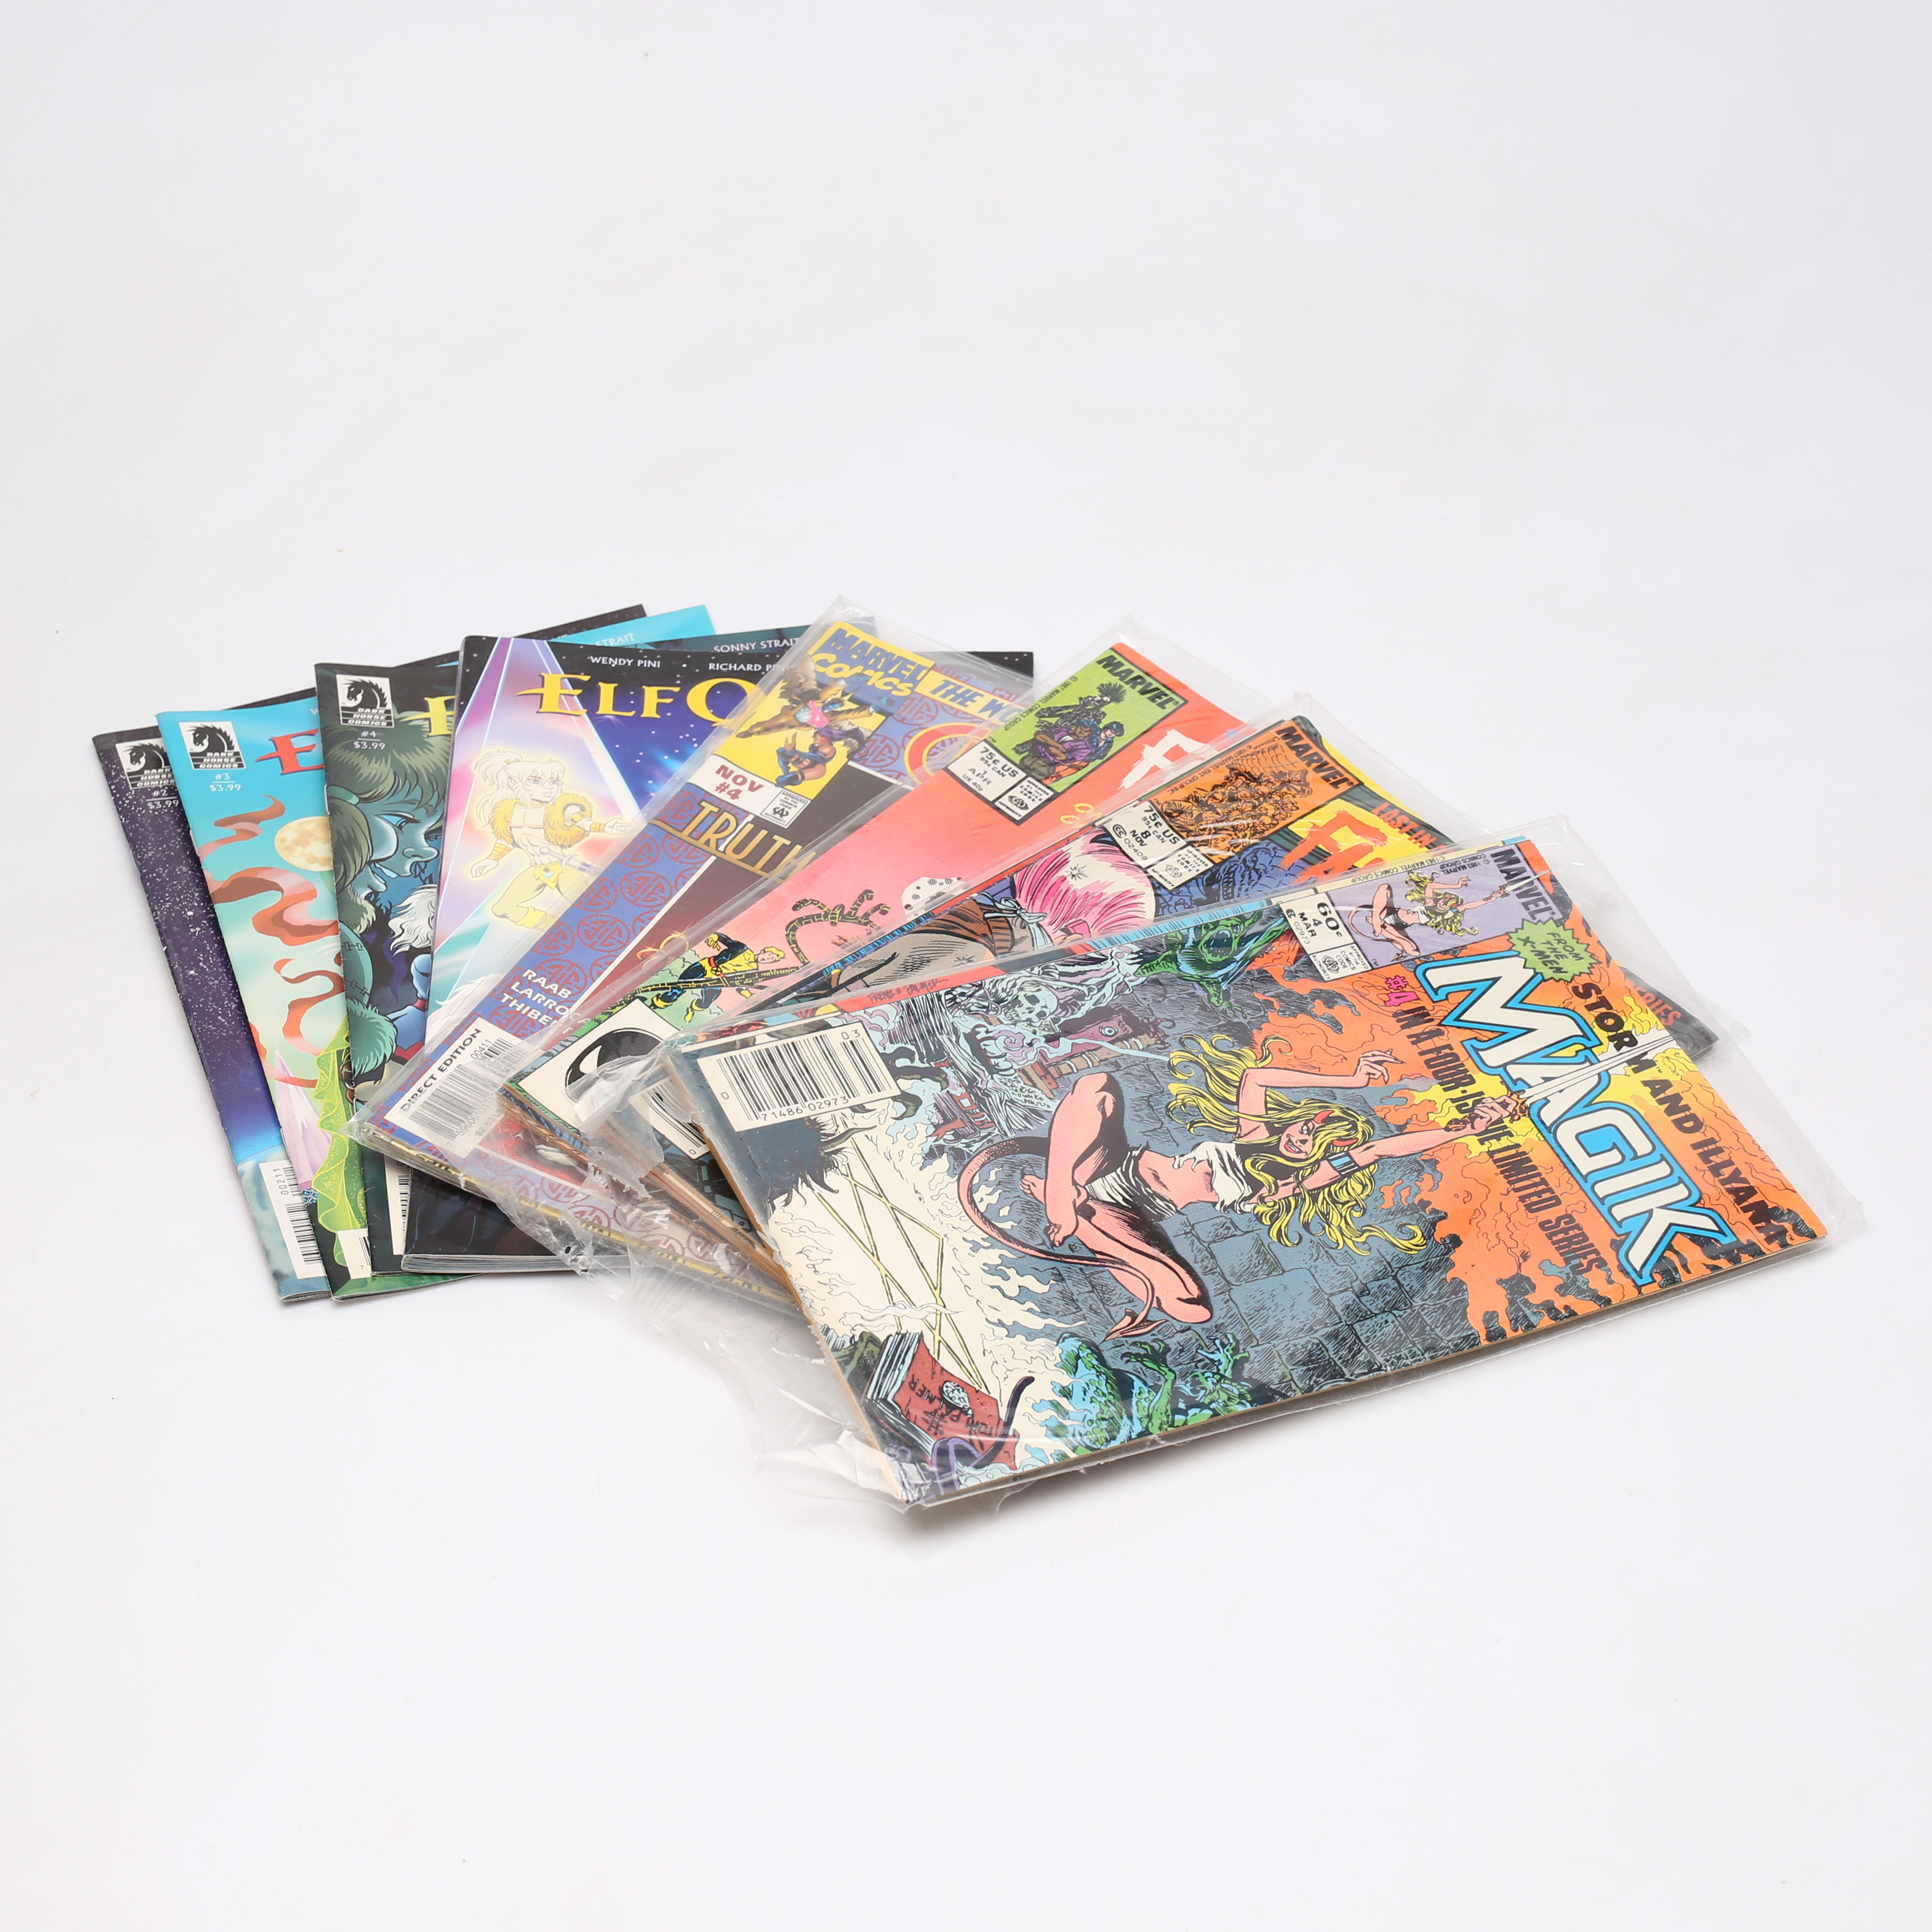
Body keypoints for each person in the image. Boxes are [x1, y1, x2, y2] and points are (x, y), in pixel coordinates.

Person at [959, 1039, 1520, 1338]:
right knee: (1098, 1086)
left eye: (1318, 1140)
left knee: (1191, 1309)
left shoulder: (1289, 1182)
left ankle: (1077, 1211)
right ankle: (1061, 1192)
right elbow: (1257, 1078)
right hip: (1106, 1164)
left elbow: (1380, 1150)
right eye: (1308, 1124)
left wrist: (1465, 1129)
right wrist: (1351, 1079)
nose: (1304, 1135)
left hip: (1128, 1211)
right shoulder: (1253, 1133)